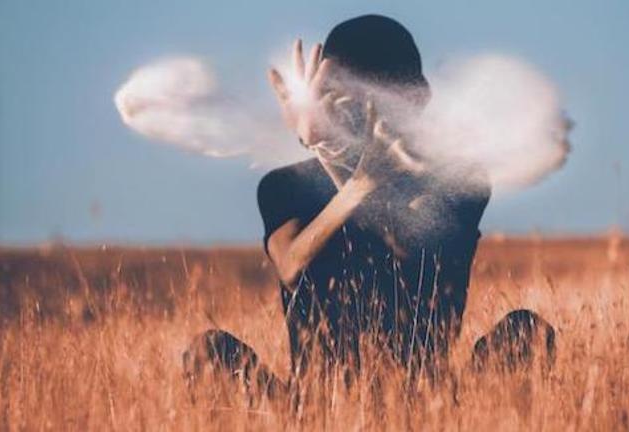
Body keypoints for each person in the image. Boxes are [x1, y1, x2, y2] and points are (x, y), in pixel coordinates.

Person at [183, 14, 555, 398]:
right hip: (314, 408)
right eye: (336, 95)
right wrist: (330, 155)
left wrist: (349, 172)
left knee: (526, 331)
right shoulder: (284, 185)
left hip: (428, 403)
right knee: (207, 353)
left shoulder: (461, 184)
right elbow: (292, 264)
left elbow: (410, 251)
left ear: (415, 99)